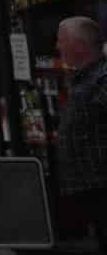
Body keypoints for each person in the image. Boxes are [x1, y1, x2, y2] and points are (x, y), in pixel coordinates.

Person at [60, 17, 107, 247]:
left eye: (62, 41)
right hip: (87, 191)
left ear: (79, 45)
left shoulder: (102, 79)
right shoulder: (84, 79)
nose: (58, 47)